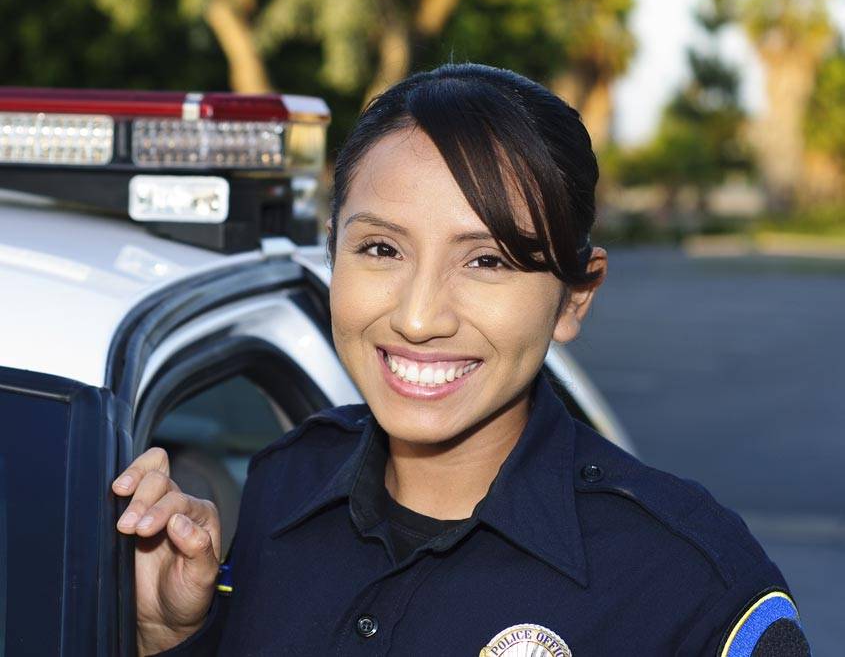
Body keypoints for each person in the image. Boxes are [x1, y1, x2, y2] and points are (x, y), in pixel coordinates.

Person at [112, 63, 811, 656]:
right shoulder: (281, 486)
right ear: (333, 256)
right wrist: (171, 635)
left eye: (486, 260)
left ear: (574, 297)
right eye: (381, 250)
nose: (418, 317)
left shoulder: (687, 584)